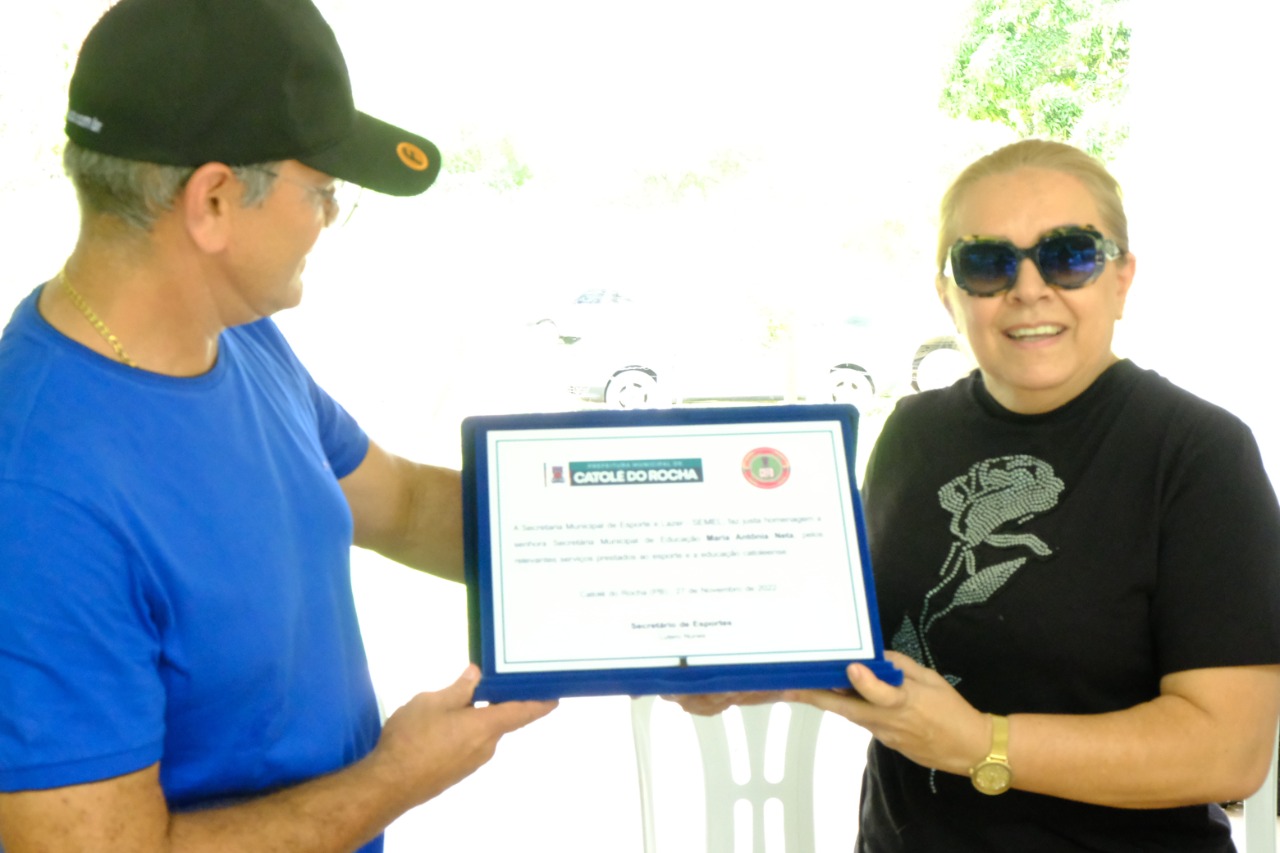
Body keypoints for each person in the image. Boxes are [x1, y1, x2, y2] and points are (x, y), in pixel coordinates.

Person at [0, 1, 556, 850]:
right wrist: (395, 776)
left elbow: (405, 505)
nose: (329, 219)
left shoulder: (237, 338)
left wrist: (659, 576)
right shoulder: (38, 495)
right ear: (214, 200)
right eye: (324, 192)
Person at [676, 139, 1280, 851]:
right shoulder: (912, 431)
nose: (1028, 288)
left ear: (1122, 278)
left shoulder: (1197, 452)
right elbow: (868, 643)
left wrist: (980, 744)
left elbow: (1228, 751)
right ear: (949, 294)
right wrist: (742, 671)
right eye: (987, 264)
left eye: (1070, 256)